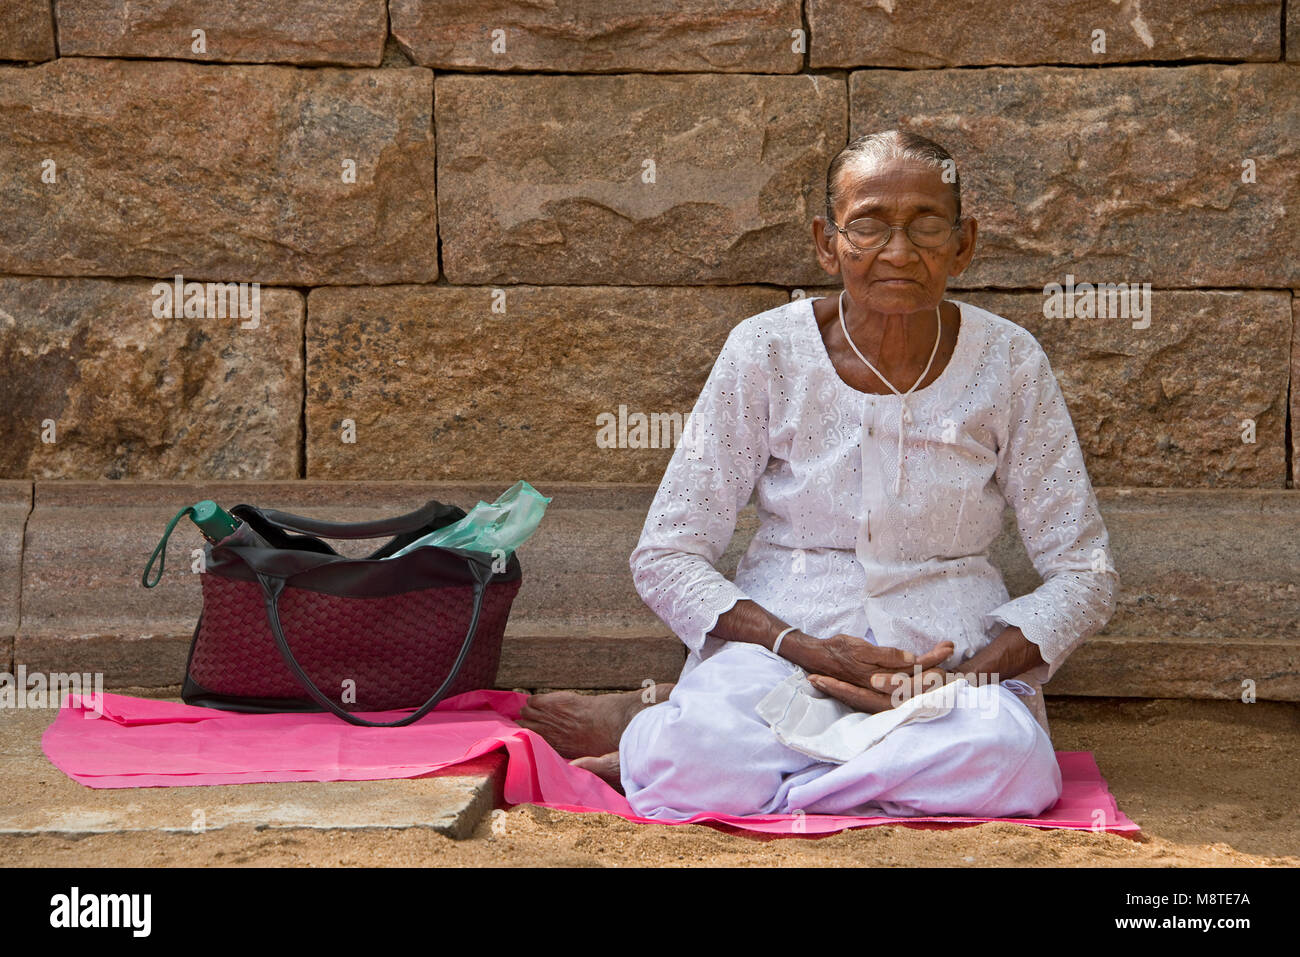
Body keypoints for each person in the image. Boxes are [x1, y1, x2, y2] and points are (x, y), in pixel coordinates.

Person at [518, 130, 1119, 821]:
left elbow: (1085, 570)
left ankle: (685, 749)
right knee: (701, 749)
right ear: (825, 243)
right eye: (868, 225)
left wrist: (954, 680)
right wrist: (804, 649)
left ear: (964, 243)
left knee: (1011, 761)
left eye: (926, 225)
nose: (898, 251)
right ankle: (821, 761)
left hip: (947, 671)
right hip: (781, 654)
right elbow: (667, 553)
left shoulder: (1009, 361)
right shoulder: (765, 350)